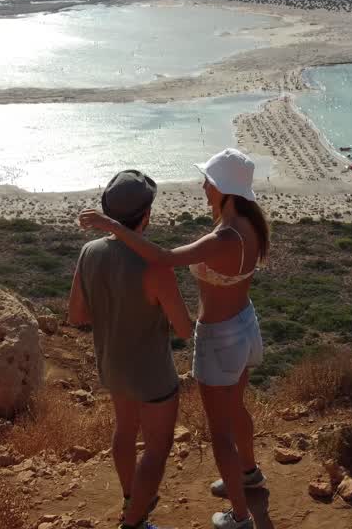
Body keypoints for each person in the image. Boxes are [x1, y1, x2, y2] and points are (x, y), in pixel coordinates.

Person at [80, 148, 270, 529]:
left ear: (223, 188)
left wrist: (113, 227)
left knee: (220, 432)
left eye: (208, 181)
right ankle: (249, 475)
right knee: (236, 409)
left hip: (219, 339)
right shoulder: (249, 224)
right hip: (245, 325)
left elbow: (165, 257)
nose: (203, 185)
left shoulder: (223, 237)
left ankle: (240, 516)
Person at [68, 170, 193, 529]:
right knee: (157, 448)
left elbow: (76, 315)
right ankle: (134, 521)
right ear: (147, 215)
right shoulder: (155, 267)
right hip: (152, 375)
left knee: (124, 431)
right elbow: (184, 329)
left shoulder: (88, 253)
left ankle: (130, 500)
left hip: (113, 367)